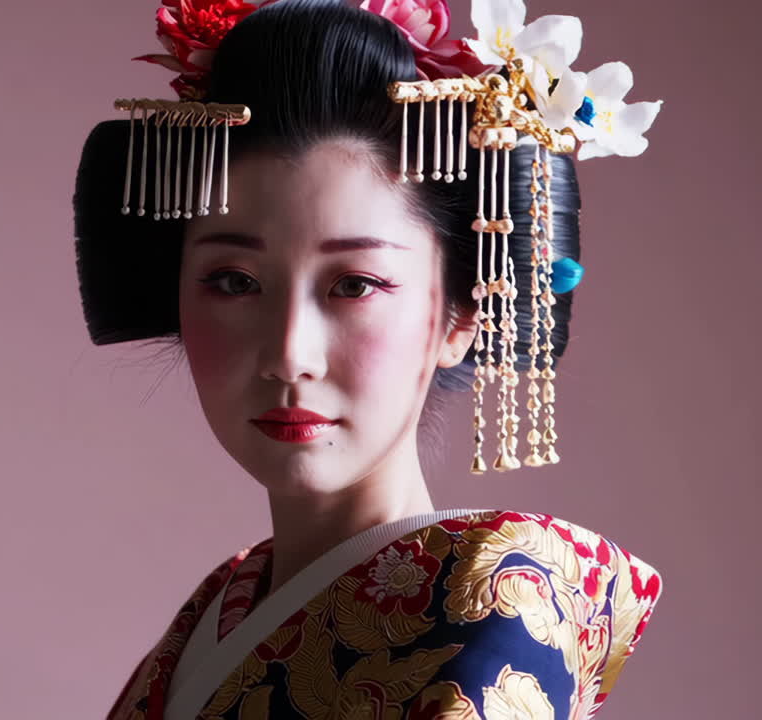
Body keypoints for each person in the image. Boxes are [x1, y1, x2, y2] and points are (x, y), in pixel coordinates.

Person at [73, 1, 665, 718]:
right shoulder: (220, 606)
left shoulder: (494, 600)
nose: (289, 354)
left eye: (355, 284)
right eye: (234, 282)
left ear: (460, 315)